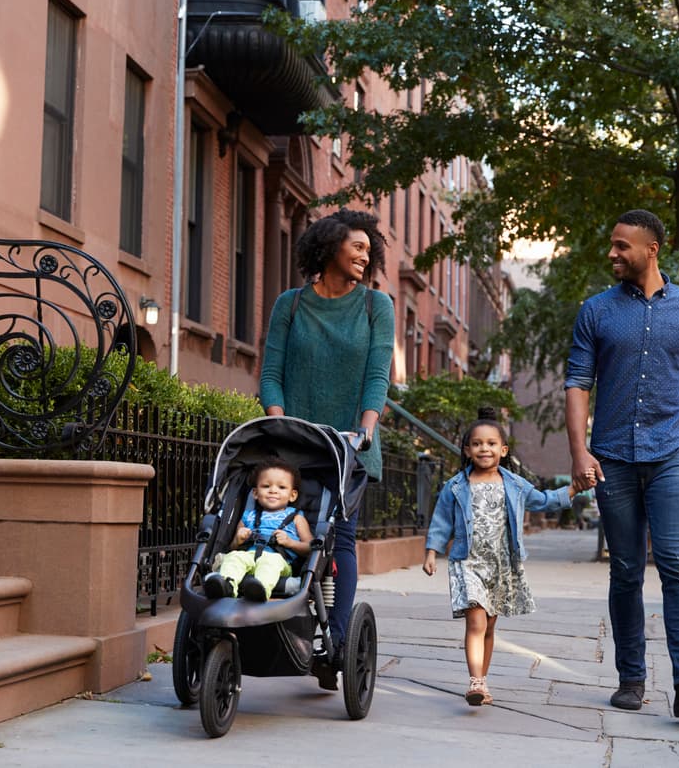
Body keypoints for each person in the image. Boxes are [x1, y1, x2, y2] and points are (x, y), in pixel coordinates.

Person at [564, 208, 679, 719]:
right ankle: (631, 678)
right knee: (627, 570)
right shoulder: (596, 310)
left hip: (674, 452)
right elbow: (577, 384)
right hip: (612, 457)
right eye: (611, 244)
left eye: (621, 246)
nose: (612, 253)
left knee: (678, 567)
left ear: (651, 249)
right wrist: (578, 451)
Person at [260, 208, 394, 689]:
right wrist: (277, 424)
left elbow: (378, 373)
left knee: (339, 540)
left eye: (368, 249)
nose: (365, 255)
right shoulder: (290, 304)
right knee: (278, 527)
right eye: (356, 246)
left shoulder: (377, 306)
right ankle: (280, 624)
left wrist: (367, 427)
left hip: (349, 447)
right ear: (330, 245)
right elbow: (271, 372)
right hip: (292, 446)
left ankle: (335, 642)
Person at [422, 410, 579, 706]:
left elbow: (543, 501)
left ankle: (483, 682)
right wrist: (432, 551)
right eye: (478, 444)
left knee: (490, 627)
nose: (485, 449)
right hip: (468, 562)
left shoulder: (515, 485)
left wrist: (572, 490)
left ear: (503, 450)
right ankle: (475, 681)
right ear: (467, 450)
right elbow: (441, 521)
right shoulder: (456, 486)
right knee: (476, 623)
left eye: (491, 443)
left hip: (502, 565)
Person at [203, 458, 313, 602]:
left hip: (280, 561)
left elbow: (310, 547)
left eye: (281, 487)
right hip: (249, 556)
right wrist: (238, 539)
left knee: (270, 562)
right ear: (255, 493)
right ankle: (226, 586)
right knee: (234, 557)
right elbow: (233, 547)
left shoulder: (296, 518)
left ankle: (259, 589)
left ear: (292, 495)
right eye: (266, 486)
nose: (273, 490)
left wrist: (290, 543)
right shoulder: (248, 516)